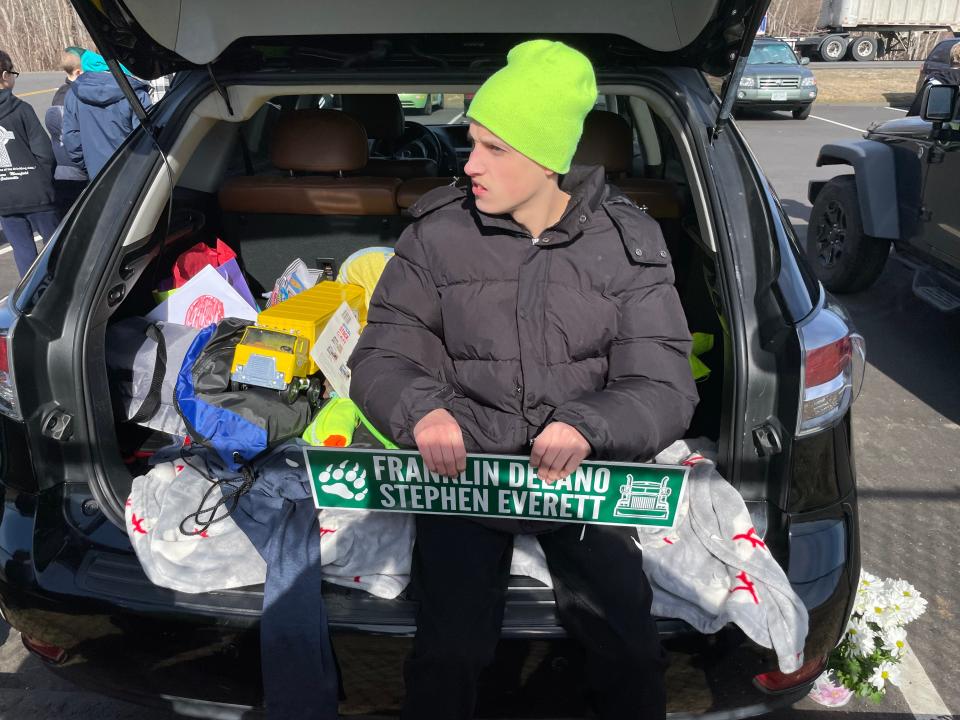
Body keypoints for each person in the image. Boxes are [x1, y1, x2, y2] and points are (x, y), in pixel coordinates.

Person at [349, 39, 698, 720]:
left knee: (628, 643)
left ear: (548, 159)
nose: (468, 163)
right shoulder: (436, 235)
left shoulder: (627, 246)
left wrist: (589, 425)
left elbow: (663, 382)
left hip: (582, 477)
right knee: (447, 651)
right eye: (470, 143)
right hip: (464, 473)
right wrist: (422, 411)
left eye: (493, 148)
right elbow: (383, 355)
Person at [0, 49, 59, 277]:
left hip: (5, 198)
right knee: (54, 247)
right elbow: (44, 152)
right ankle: (57, 288)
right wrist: (42, 180)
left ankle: (32, 296)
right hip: (36, 193)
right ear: (5, 75)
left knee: (23, 251)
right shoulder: (22, 109)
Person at [62, 51, 151, 179]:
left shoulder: (73, 94)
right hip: (135, 176)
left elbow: (71, 138)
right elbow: (146, 138)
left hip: (98, 174)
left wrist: (87, 165)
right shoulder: (134, 92)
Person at [45, 47, 88, 215]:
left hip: (64, 168)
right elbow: (72, 137)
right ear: (78, 72)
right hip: (75, 169)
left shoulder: (60, 95)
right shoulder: (73, 97)